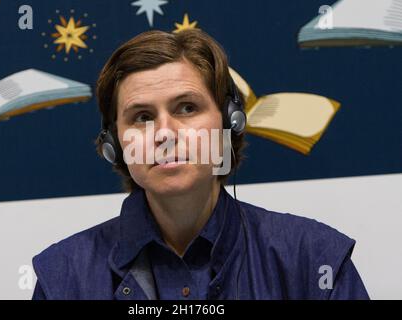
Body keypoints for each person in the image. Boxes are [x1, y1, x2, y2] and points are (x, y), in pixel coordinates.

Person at [31, 29, 369, 300]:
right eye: (143, 117)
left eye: (187, 108)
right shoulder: (63, 277)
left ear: (228, 122)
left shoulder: (313, 260)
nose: (164, 133)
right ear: (114, 144)